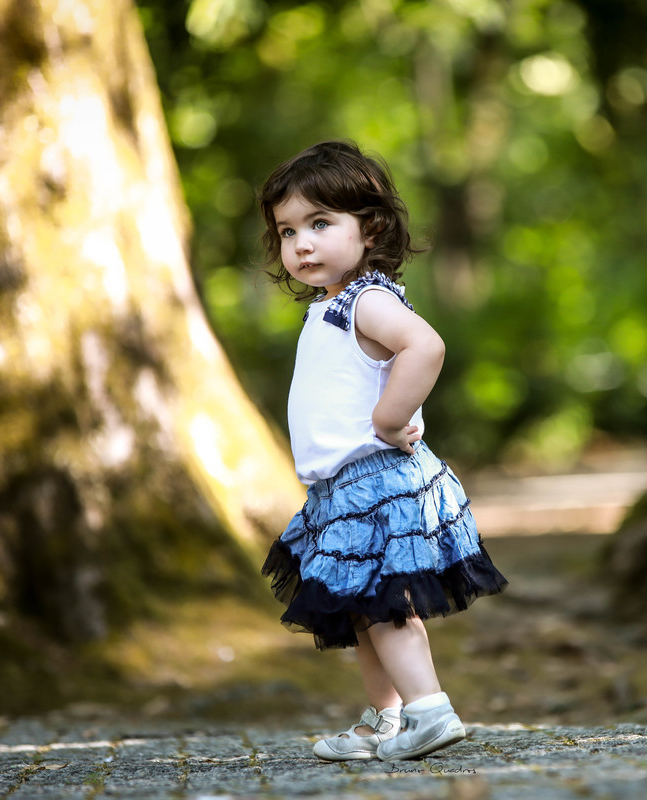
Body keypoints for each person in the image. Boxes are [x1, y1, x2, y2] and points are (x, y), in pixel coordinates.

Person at [258, 140, 508, 762]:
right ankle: (385, 720)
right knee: (363, 608)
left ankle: (429, 710)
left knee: (388, 608)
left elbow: (426, 346)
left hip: (375, 483)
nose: (302, 244)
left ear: (369, 229)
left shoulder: (366, 301)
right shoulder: (330, 306)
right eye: (288, 231)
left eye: (320, 224)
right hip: (342, 489)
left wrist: (389, 418)